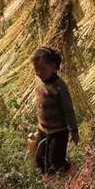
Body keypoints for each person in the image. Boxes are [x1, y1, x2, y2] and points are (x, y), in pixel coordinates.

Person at [31, 46, 80, 178]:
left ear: (53, 67)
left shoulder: (59, 87)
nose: (39, 73)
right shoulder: (39, 81)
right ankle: (47, 181)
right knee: (40, 158)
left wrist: (73, 130)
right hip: (43, 129)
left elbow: (69, 110)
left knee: (56, 162)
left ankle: (73, 172)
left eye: (42, 69)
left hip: (58, 131)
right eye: (36, 70)